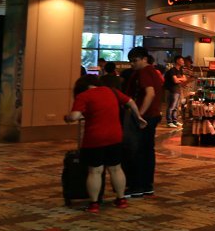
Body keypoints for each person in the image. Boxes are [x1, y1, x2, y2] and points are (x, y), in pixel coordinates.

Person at [65, 75, 147, 213]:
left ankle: (94, 204)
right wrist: (138, 116)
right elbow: (130, 101)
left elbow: (74, 116)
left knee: (95, 171)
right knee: (116, 168)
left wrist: (67, 118)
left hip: (94, 138)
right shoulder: (112, 91)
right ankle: (121, 199)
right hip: (115, 136)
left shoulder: (83, 96)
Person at [121, 46, 165, 197]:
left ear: (144, 59)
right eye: (130, 61)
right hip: (153, 116)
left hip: (145, 118)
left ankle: (137, 186)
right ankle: (147, 185)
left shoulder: (144, 72)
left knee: (137, 152)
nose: (132, 64)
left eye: (135, 60)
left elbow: (150, 93)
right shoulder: (154, 72)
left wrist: (139, 115)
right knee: (147, 152)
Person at [164, 56, 188, 127]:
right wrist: (180, 79)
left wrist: (178, 79)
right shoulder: (172, 70)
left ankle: (174, 121)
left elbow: (185, 79)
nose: (183, 62)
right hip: (172, 90)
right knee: (171, 106)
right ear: (177, 61)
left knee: (176, 107)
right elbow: (175, 80)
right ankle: (169, 122)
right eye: (182, 60)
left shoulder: (180, 70)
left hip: (178, 90)